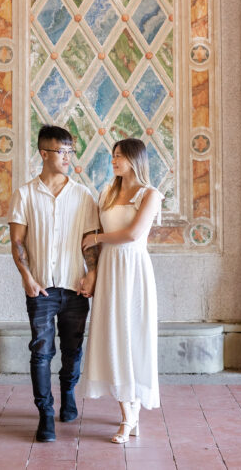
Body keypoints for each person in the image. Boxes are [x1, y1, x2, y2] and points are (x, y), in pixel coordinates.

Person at [9, 125, 100, 442]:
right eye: (61, 151)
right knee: (41, 352)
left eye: (70, 151)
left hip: (75, 289)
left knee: (73, 350)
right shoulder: (24, 194)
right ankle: (45, 414)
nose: (67, 157)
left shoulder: (83, 195)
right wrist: (28, 278)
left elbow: (90, 242)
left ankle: (68, 393)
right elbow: (17, 242)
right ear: (44, 153)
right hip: (42, 290)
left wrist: (92, 274)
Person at [80, 138, 162, 444]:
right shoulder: (107, 193)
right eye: (113, 156)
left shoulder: (149, 194)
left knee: (133, 337)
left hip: (134, 271)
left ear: (134, 159)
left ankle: (130, 416)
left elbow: (134, 233)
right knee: (114, 337)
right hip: (111, 270)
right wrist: (93, 272)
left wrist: (99, 238)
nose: (113, 161)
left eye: (119, 156)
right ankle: (129, 414)